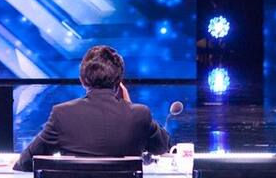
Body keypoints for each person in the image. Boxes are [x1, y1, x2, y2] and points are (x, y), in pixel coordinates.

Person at [14, 45, 171, 171]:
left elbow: (25, 163)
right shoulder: (139, 114)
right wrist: (129, 104)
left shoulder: (61, 114)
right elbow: (163, 146)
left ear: (82, 80)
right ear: (119, 81)